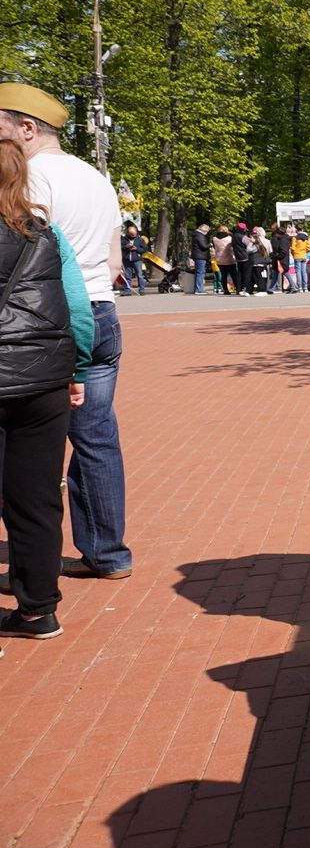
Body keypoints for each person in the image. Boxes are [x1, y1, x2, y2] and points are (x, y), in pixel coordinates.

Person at [3, 83, 134, 582]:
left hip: (51, 321)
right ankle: (108, 554)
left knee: (30, 448)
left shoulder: (31, 177)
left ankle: (34, 572)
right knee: (96, 438)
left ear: (26, 128)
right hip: (101, 312)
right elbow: (115, 260)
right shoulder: (95, 177)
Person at [0, 111, 94, 645]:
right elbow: (76, 308)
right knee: (36, 499)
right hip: (41, 383)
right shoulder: (45, 232)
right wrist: (76, 370)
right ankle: (38, 610)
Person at [117, 222, 147, 296]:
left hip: (137, 260)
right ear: (128, 233)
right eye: (131, 234)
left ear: (136, 232)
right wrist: (126, 247)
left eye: (134, 234)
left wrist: (136, 249)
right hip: (127, 260)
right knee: (128, 276)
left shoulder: (140, 240)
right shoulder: (124, 239)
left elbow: (144, 249)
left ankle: (142, 290)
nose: (133, 235)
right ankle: (127, 291)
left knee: (140, 275)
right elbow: (120, 247)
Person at [211, 228, 236, 294]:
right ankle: (237, 288)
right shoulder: (230, 238)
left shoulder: (214, 239)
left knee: (223, 275)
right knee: (234, 275)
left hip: (219, 259)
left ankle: (225, 290)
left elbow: (214, 247)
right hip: (229, 258)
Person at [190, 221, 211, 295]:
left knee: (198, 273)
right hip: (200, 256)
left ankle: (197, 289)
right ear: (204, 230)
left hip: (197, 256)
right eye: (207, 231)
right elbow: (204, 246)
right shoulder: (200, 235)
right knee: (200, 273)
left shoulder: (196, 234)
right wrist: (210, 244)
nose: (207, 233)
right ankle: (199, 290)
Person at [290, 226, 310, 293]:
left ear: (296, 230)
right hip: (304, 256)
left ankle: (300, 287)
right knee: (304, 272)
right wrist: (304, 252)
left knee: (298, 272)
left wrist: (293, 254)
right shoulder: (306, 238)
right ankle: (305, 287)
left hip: (297, 255)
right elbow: (308, 249)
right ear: (302, 230)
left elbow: (293, 248)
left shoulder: (295, 238)